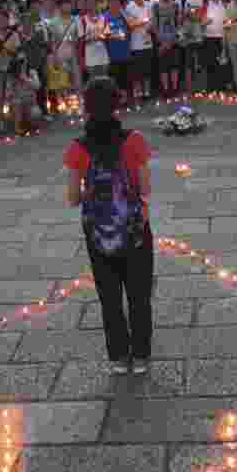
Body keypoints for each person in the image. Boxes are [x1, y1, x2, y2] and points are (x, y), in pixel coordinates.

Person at [63, 76, 153, 375]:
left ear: (86, 109)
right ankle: (140, 356)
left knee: (109, 297)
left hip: (98, 234)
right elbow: (145, 189)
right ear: (117, 104)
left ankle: (117, 357)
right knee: (139, 295)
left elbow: (72, 198)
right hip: (135, 230)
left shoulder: (78, 148)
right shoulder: (134, 140)